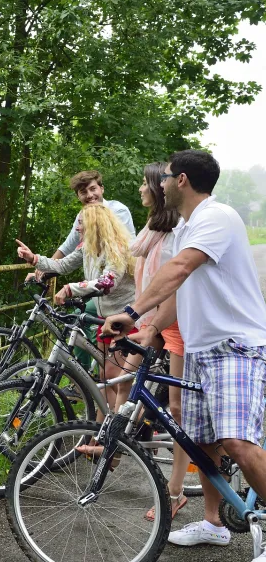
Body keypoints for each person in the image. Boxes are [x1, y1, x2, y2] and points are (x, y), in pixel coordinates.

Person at [103, 150, 266, 558]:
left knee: (238, 442)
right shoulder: (187, 227)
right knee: (202, 443)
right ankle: (214, 524)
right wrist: (150, 329)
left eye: (166, 177)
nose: (159, 184)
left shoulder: (216, 217)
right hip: (200, 348)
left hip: (235, 346)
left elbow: (178, 269)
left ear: (182, 181)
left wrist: (131, 310)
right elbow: (181, 287)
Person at [17, 203, 136, 412]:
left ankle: (131, 427)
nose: (77, 229)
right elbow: (62, 265)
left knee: (117, 378)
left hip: (124, 318)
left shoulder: (116, 247)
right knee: (105, 377)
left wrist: (71, 288)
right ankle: (101, 434)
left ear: (95, 224)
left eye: (81, 224)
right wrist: (34, 259)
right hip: (105, 318)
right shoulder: (87, 246)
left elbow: (106, 282)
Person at [120, 163, 189, 522]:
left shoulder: (176, 230)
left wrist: (151, 321)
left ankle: (175, 492)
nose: (143, 190)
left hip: (173, 323)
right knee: (123, 382)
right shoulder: (155, 231)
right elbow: (135, 257)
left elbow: (177, 281)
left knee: (178, 411)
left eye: (146, 185)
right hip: (153, 321)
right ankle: (113, 446)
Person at [45, 170, 136, 370]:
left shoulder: (116, 211)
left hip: (120, 293)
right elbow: (68, 248)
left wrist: (72, 287)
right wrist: (39, 265)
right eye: (83, 192)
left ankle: (84, 370)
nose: (89, 195)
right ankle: (85, 372)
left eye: (93, 189)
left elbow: (121, 253)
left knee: (80, 315)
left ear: (101, 188)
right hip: (105, 291)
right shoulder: (83, 218)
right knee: (80, 317)